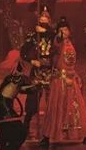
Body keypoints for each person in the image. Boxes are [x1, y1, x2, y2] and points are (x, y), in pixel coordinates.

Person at [40, 17, 86, 146]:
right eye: (61, 29)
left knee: (77, 107)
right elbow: (57, 41)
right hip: (60, 80)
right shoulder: (58, 42)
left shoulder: (71, 43)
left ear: (69, 31)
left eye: (66, 29)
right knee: (56, 107)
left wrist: (76, 75)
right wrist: (57, 34)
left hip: (71, 78)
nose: (63, 31)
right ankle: (47, 136)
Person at [0, 49, 34, 149]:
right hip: (3, 108)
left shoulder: (11, 77)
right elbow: (26, 88)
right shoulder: (17, 77)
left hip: (1, 107)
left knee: (9, 131)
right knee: (19, 132)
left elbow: (22, 88)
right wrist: (37, 85)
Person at [20, 7, 54, 135]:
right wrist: (32, 60)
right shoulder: (34, 36)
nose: (43, 20)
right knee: (32, 100)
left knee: (52, 100)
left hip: (51, 71)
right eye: (42, 18)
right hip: (37, 72)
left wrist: (46, 31)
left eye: (46, 18)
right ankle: (26, 123)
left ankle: (53, 126)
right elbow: (23, 52)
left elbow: (59, 40)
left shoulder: (53, 35)